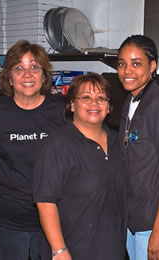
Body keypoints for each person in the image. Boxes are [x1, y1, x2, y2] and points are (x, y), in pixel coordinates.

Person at [0, 40, 65, 260]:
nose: (27, 75)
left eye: (34, 67)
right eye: (19, 68)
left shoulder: (62, 111)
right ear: (9, 77)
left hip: (54, 219)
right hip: (8, 220)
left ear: (44, 76)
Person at [33, 73, 127, 260]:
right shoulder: (57, 144)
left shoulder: (117, 142)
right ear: (72, 105)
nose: (94, 104)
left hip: (111, 249)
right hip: (71, 250)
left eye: (101, 98)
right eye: (86, 98)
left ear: (108, 107)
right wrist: (59, 250)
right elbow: (45, 202)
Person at [117, 35, 159, 260]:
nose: (127, 71)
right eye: (122, 64)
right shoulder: (130, 101)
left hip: (151, 225)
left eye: (136, 64)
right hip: (131, 222)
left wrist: (158, 229)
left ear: (152, 66)